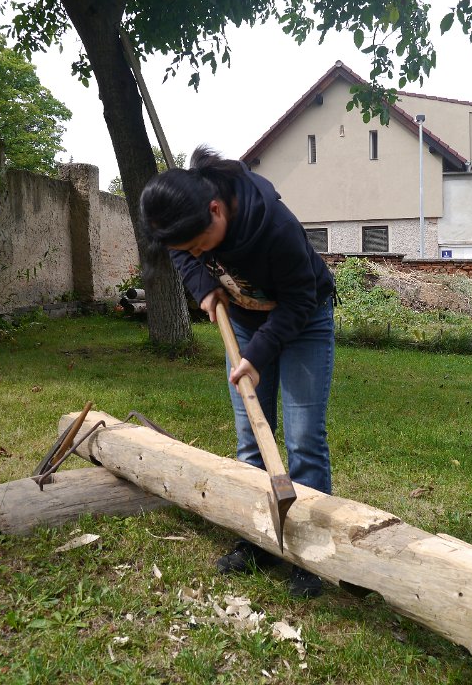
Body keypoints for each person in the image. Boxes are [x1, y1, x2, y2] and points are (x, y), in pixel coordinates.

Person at [140, 146, 336, 598]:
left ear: (216, 210)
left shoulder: (274, 227)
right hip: (245, 323)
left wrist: (258, 355)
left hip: (303, 321)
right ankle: (257, 537)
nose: (194, 252)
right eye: (188, 247)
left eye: (199, 244)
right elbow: (180, 253)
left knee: (304, 438)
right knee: (251, 439)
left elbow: (300, 300)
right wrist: (203, 286)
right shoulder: (186, 221)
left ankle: (308, 552)